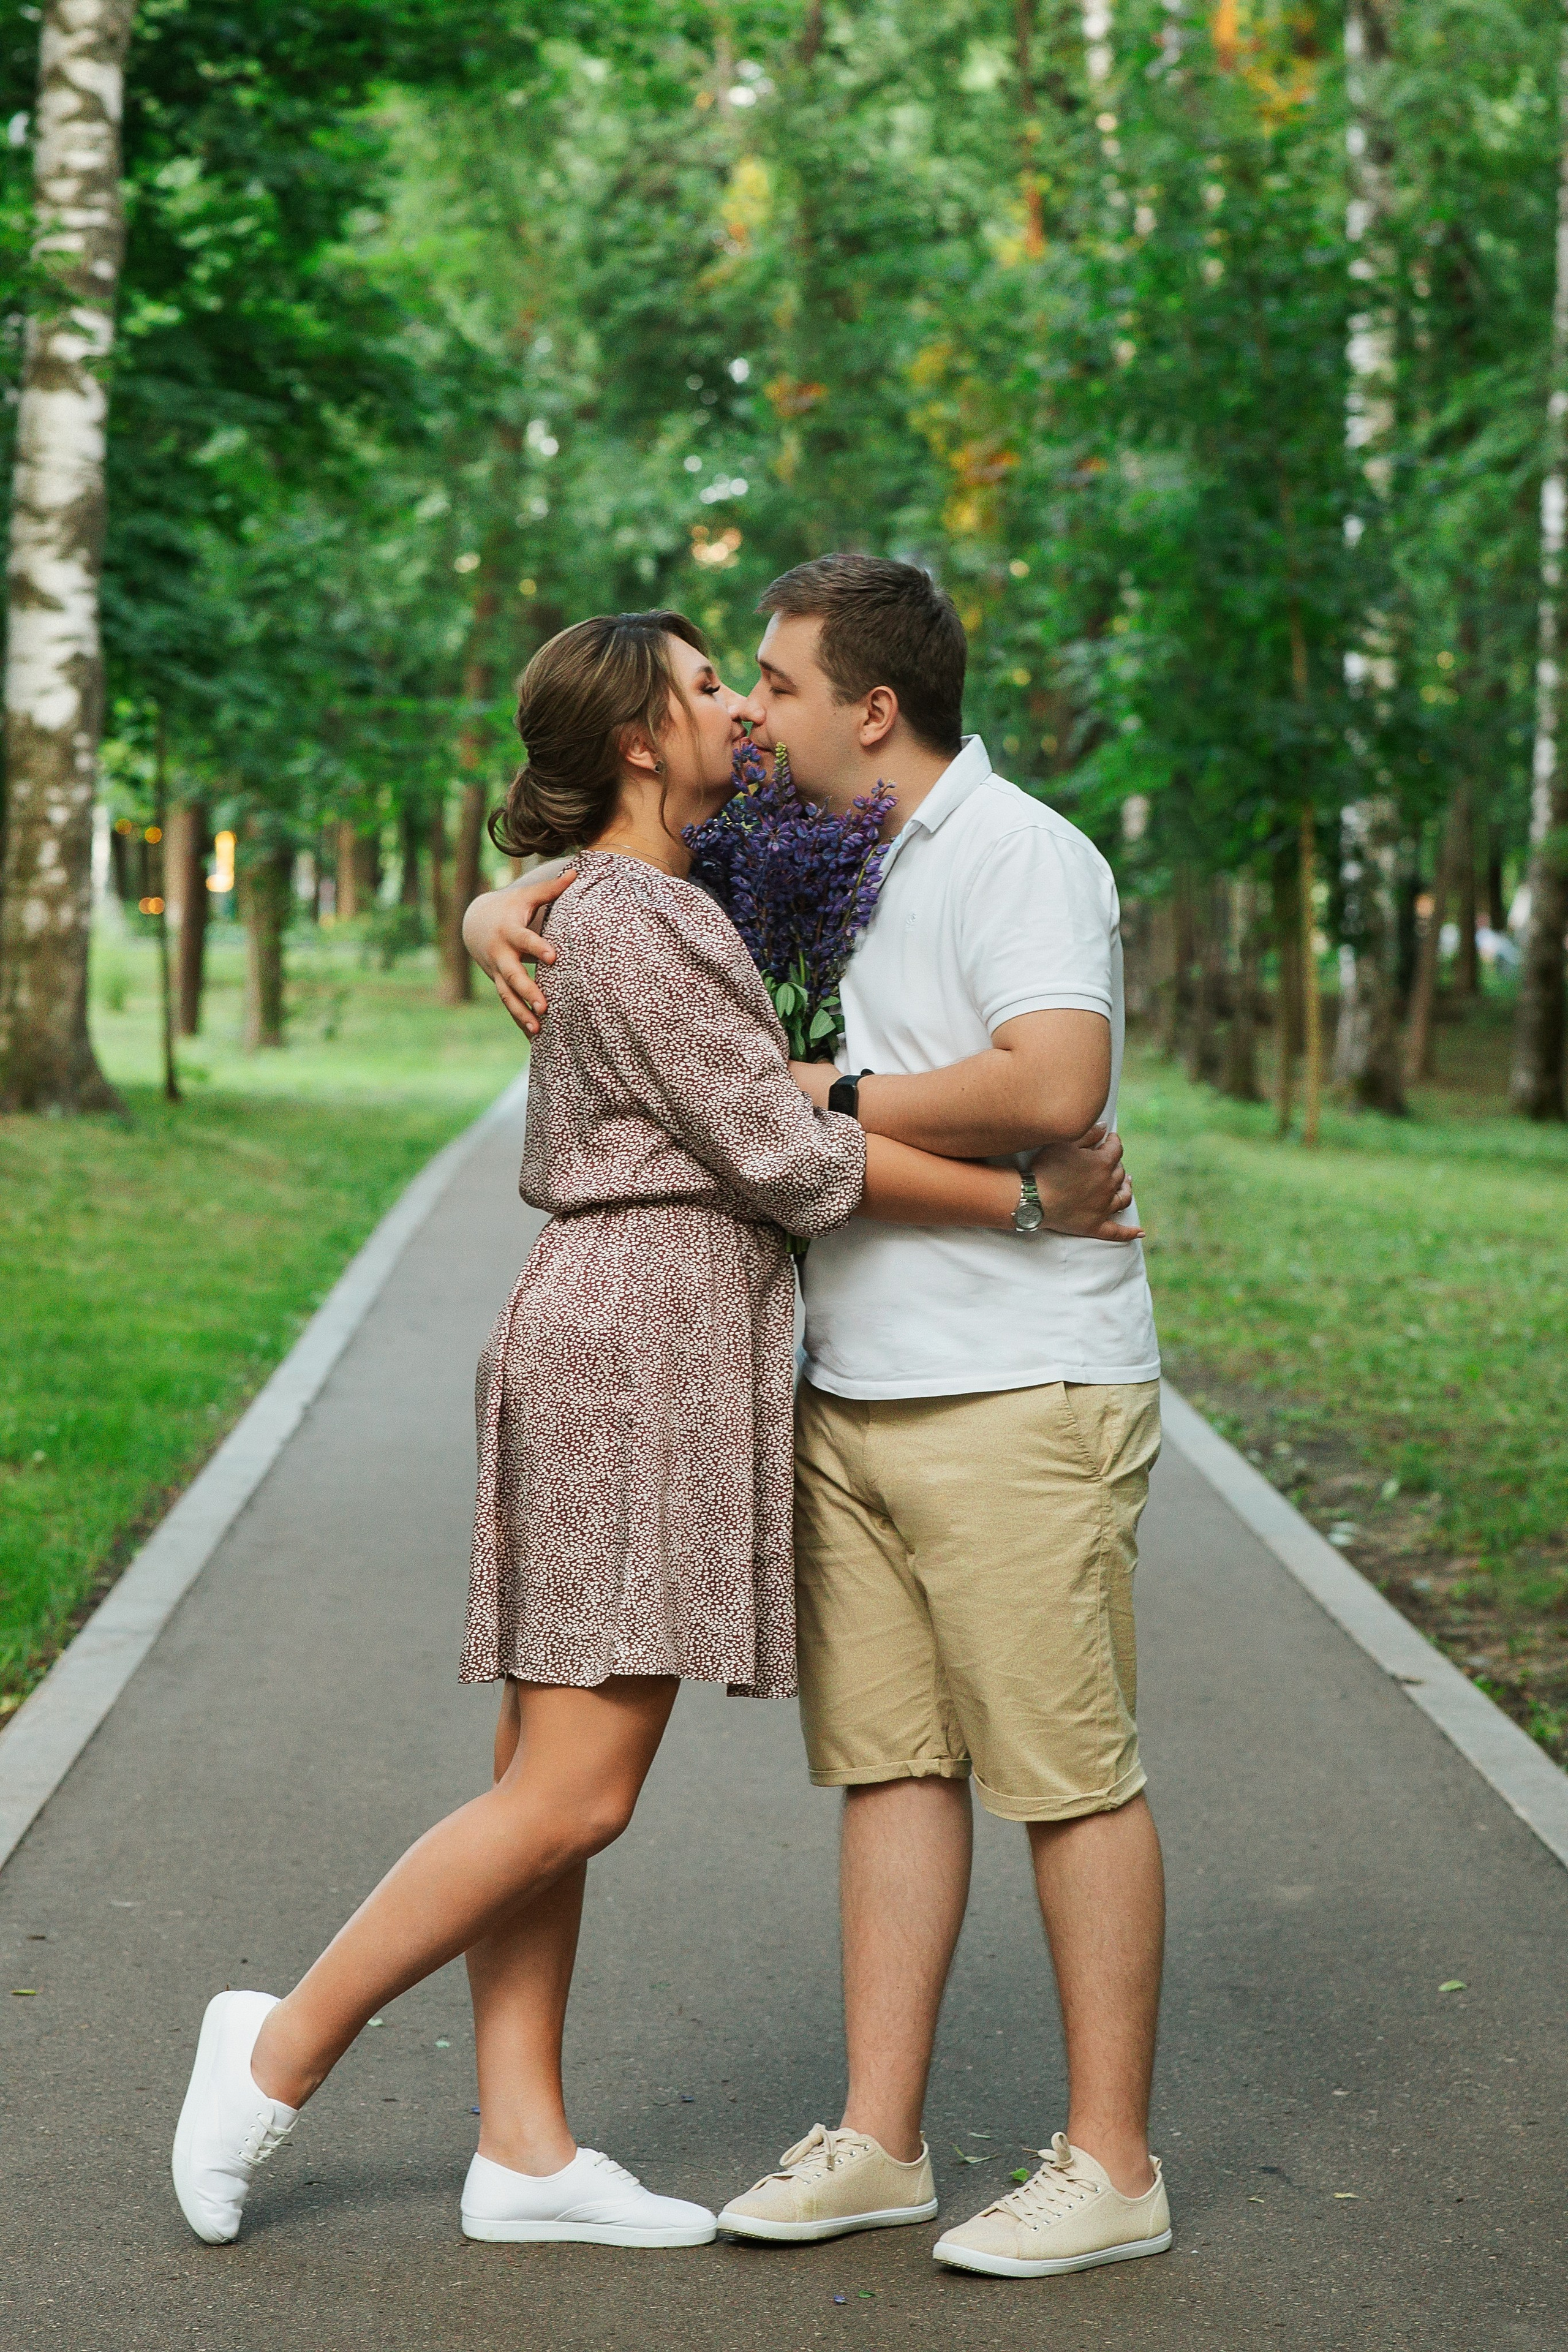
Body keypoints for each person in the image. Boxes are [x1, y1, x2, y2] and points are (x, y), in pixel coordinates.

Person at [172, 609, 1074, 2255]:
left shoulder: (650, 896)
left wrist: (505, 889)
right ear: (642, 744)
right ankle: (276, 2045)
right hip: (629, 1345)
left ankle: (523, 2148)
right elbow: (784, 1157)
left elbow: (705, 915)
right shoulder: (648, 918)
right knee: (576, 1791)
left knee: (543, 1767)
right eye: (712, 686)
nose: (743, 705)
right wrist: (1027, 1197)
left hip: (626, 1325)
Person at [464, 556, 1169, 2283]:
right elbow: (617, 888)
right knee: (894, 1772)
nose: (751, 717)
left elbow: (1053, 1089)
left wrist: (816, 1089)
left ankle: (1110, 2162)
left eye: (772, 686)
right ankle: (884, 2137)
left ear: (872, 709)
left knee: (1066, 1778)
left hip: (1015, 1381)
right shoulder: (814, 860)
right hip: (851, 1381)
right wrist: (504, 902)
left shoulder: (1018, 853)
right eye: (737, 690)